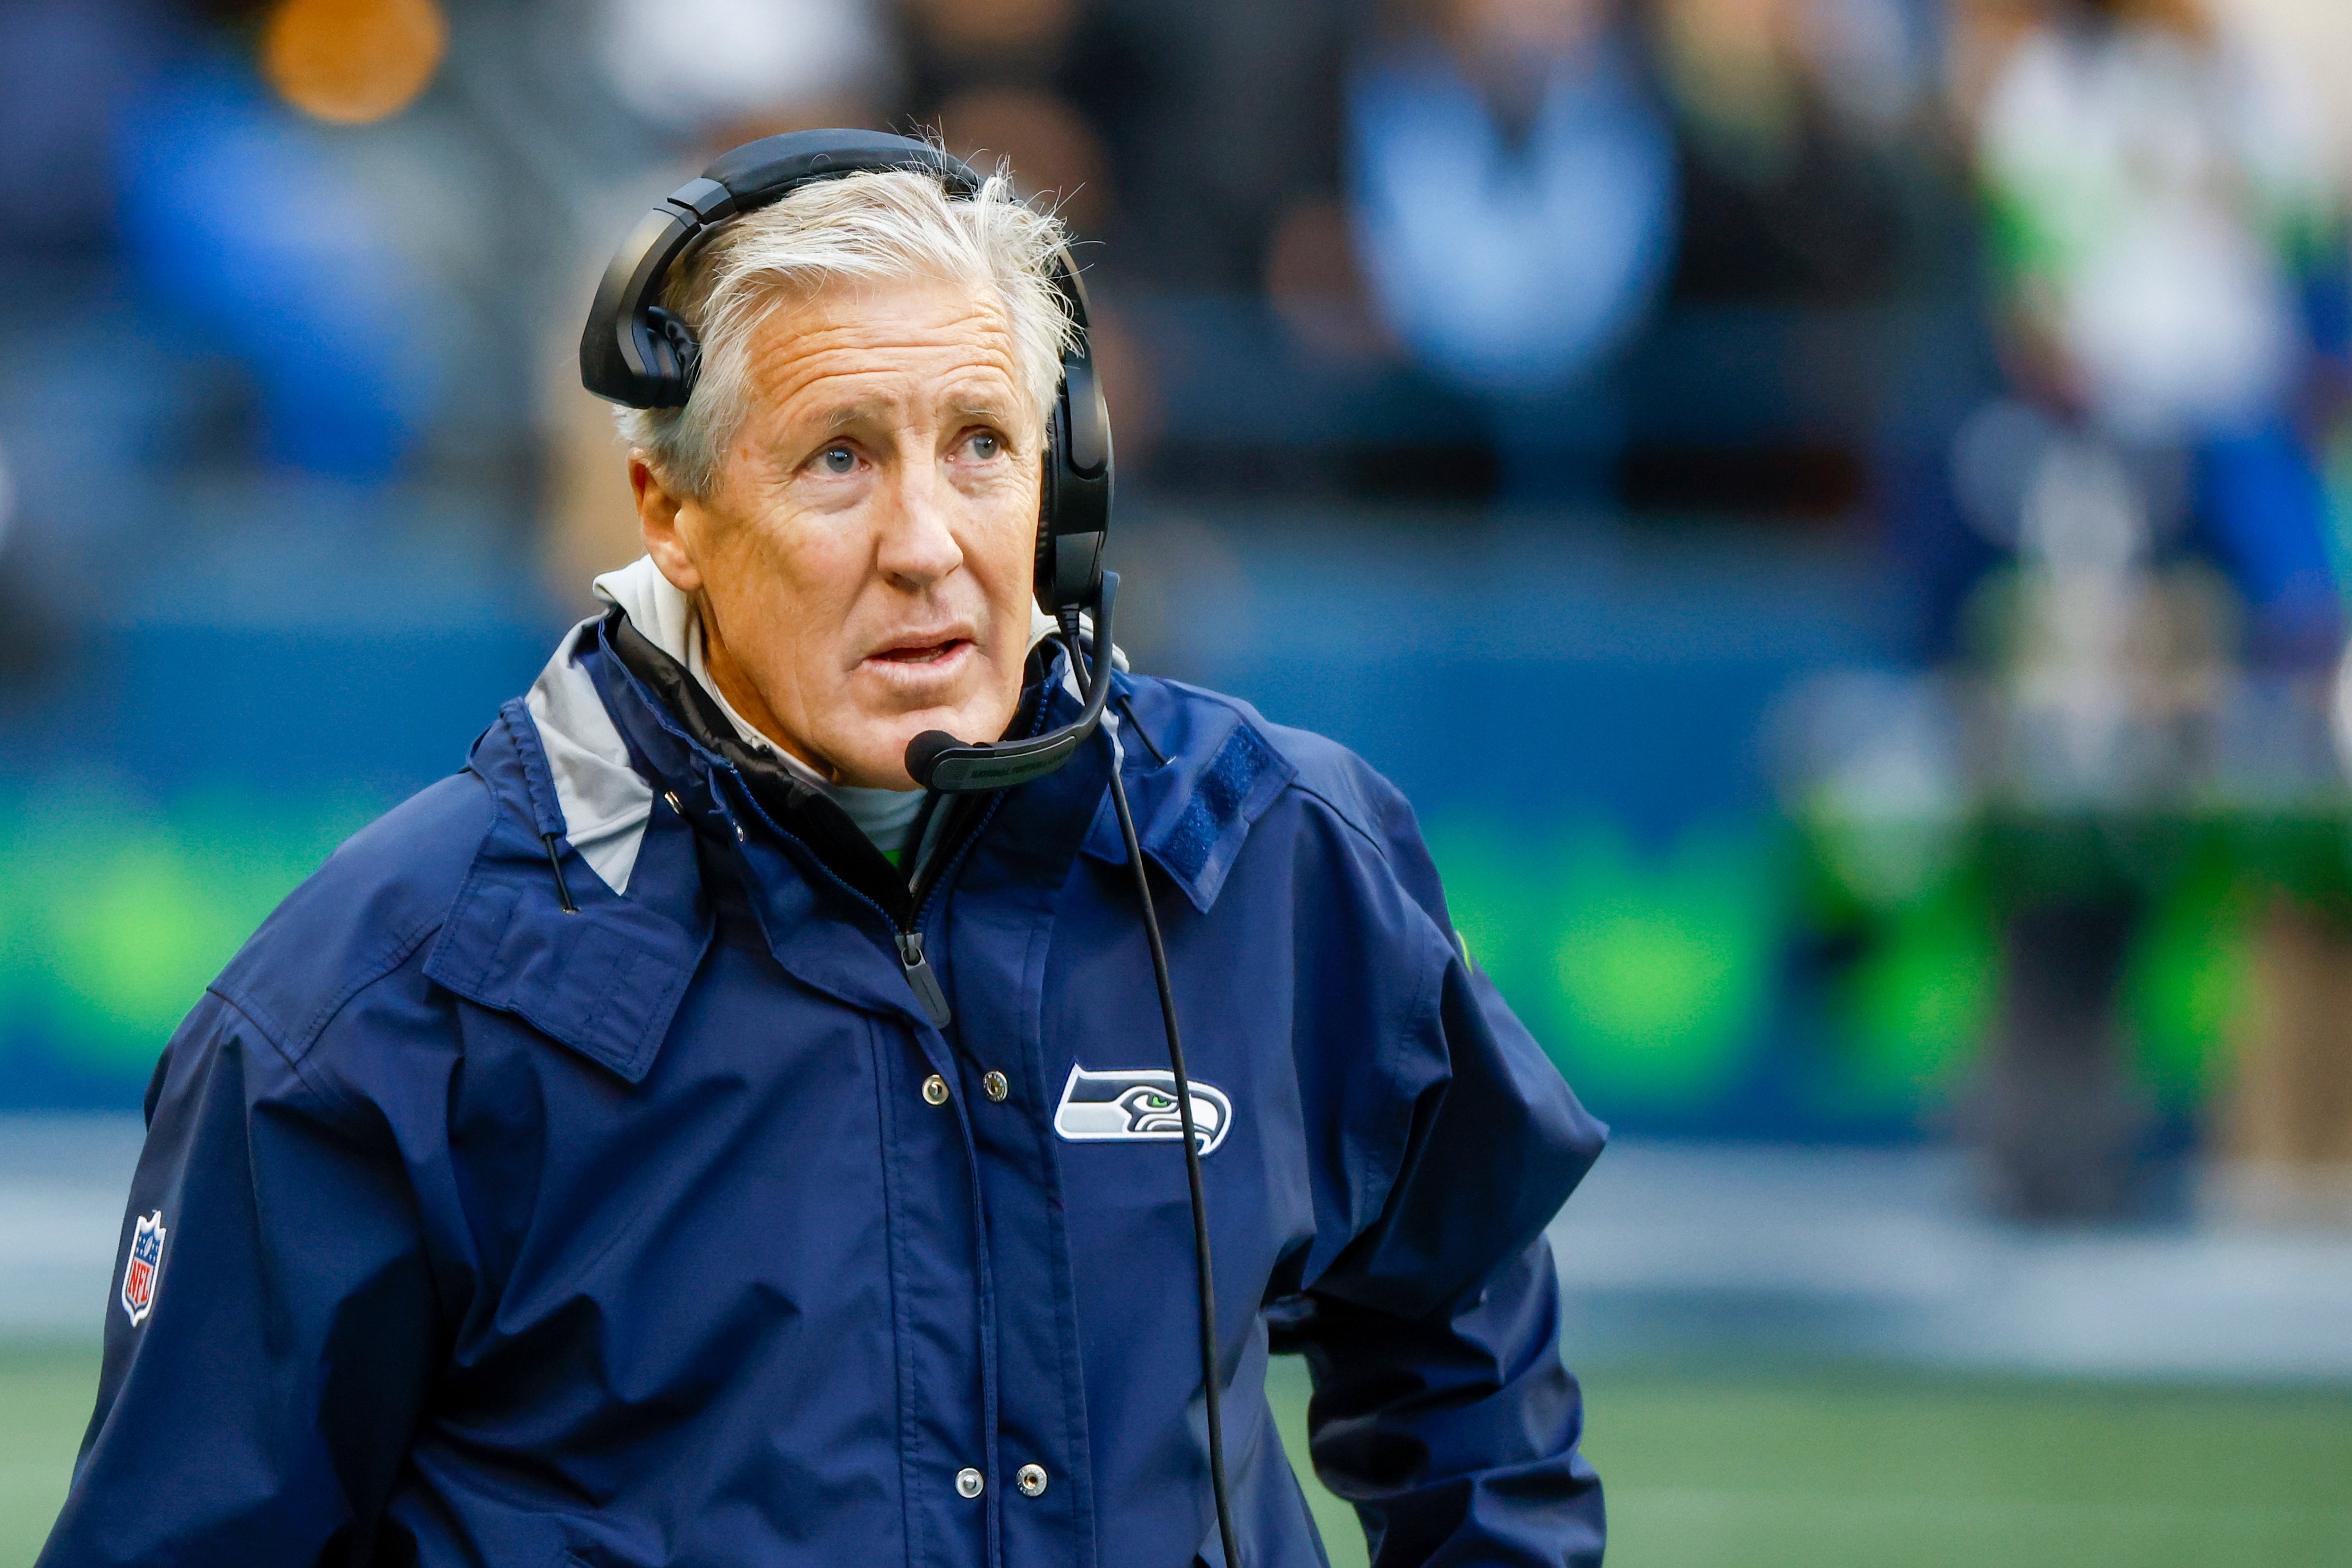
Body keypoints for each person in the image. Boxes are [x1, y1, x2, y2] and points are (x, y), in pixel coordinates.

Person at [39, 134, 1606, 1568]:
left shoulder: (1275, 856)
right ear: (671, 505)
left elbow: (1475, 1386)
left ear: (1064, 491)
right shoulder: (378, 1003)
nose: (925, 538)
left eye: (981, 444)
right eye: (840, 456)